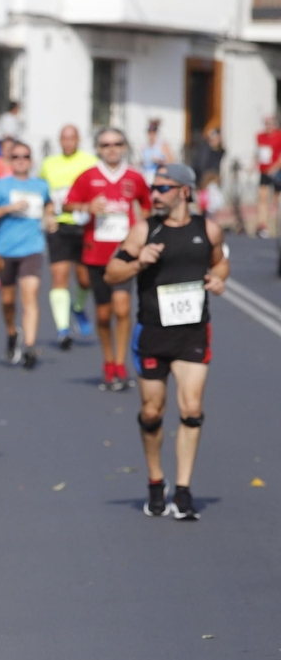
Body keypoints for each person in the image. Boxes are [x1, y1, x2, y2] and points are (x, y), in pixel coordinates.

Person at [104, 164, 227, 520]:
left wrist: (218, 280)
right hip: (153, 331)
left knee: (190, 409)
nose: (154, 194)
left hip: (192, 331)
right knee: (152, 412)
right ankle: (156, 481)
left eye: (162, 188)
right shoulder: (144, 229)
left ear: (184, 192)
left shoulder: (209, 230)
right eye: (152, 188)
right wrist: (138, 262)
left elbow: (220, 265)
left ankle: (184, 490)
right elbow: (112, 273)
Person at [65, 128, 152, 391]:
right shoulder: (88, 177)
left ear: (124, 147)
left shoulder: (134, 177)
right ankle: (107, 360)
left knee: (123, 308)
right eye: (105, 144)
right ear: (98, 148)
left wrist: (142, 229)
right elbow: (68, 204)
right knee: (103, 314)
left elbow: (146, 203)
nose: (111, 148)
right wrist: (86, 207)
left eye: (116, 143)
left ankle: (121, 362)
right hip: (95, 254)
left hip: (125, 253)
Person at [0, 141, 53, 368]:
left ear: (31, 160)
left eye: (26, 156)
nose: (21, 160)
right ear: (10, 160)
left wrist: (50, 217)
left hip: (32, 248)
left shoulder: (41, 185)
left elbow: (49, 204)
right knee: (8, 300)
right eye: (17, 156)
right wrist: (8, 209)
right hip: (5, 249)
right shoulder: (1, 186)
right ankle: (12, 332)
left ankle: (29, 346)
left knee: (30, 295)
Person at [39, 124, 99, 349]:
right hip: (60, 226)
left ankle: (79, 308)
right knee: (59, 276)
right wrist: (47, 214)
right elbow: (44, 194)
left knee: (84, 279)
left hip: (83, 226)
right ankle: (63, 328)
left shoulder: (89, 161)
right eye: (64, 138)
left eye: (72, 138)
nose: (68, 142)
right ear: (60, 140)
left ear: (78, 139)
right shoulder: (49, 164)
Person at [255, 115, 281, 238]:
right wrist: (254, 164)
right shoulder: (260, 136)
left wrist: (274, 168)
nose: (268, 126)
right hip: (264, 171)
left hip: (276, 171)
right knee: (262, 198)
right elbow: (259, 153)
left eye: (270, 123)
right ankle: (262, 225)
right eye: (266, 123)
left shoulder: (279, 136)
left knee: (276, 200)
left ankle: (276, 225)